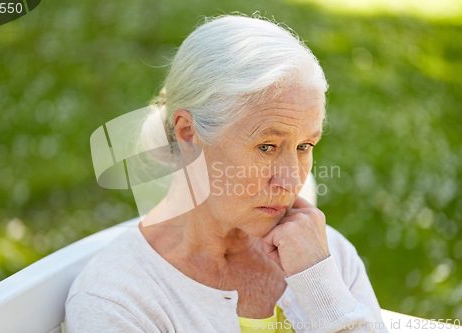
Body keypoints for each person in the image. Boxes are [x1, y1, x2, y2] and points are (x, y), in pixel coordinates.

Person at [65, 14, 388, 333]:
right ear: (189, 134)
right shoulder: (118, 303)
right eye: (267, 147)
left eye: (304, 146)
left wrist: (321, 288)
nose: (291, 181)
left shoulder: (323, 258)